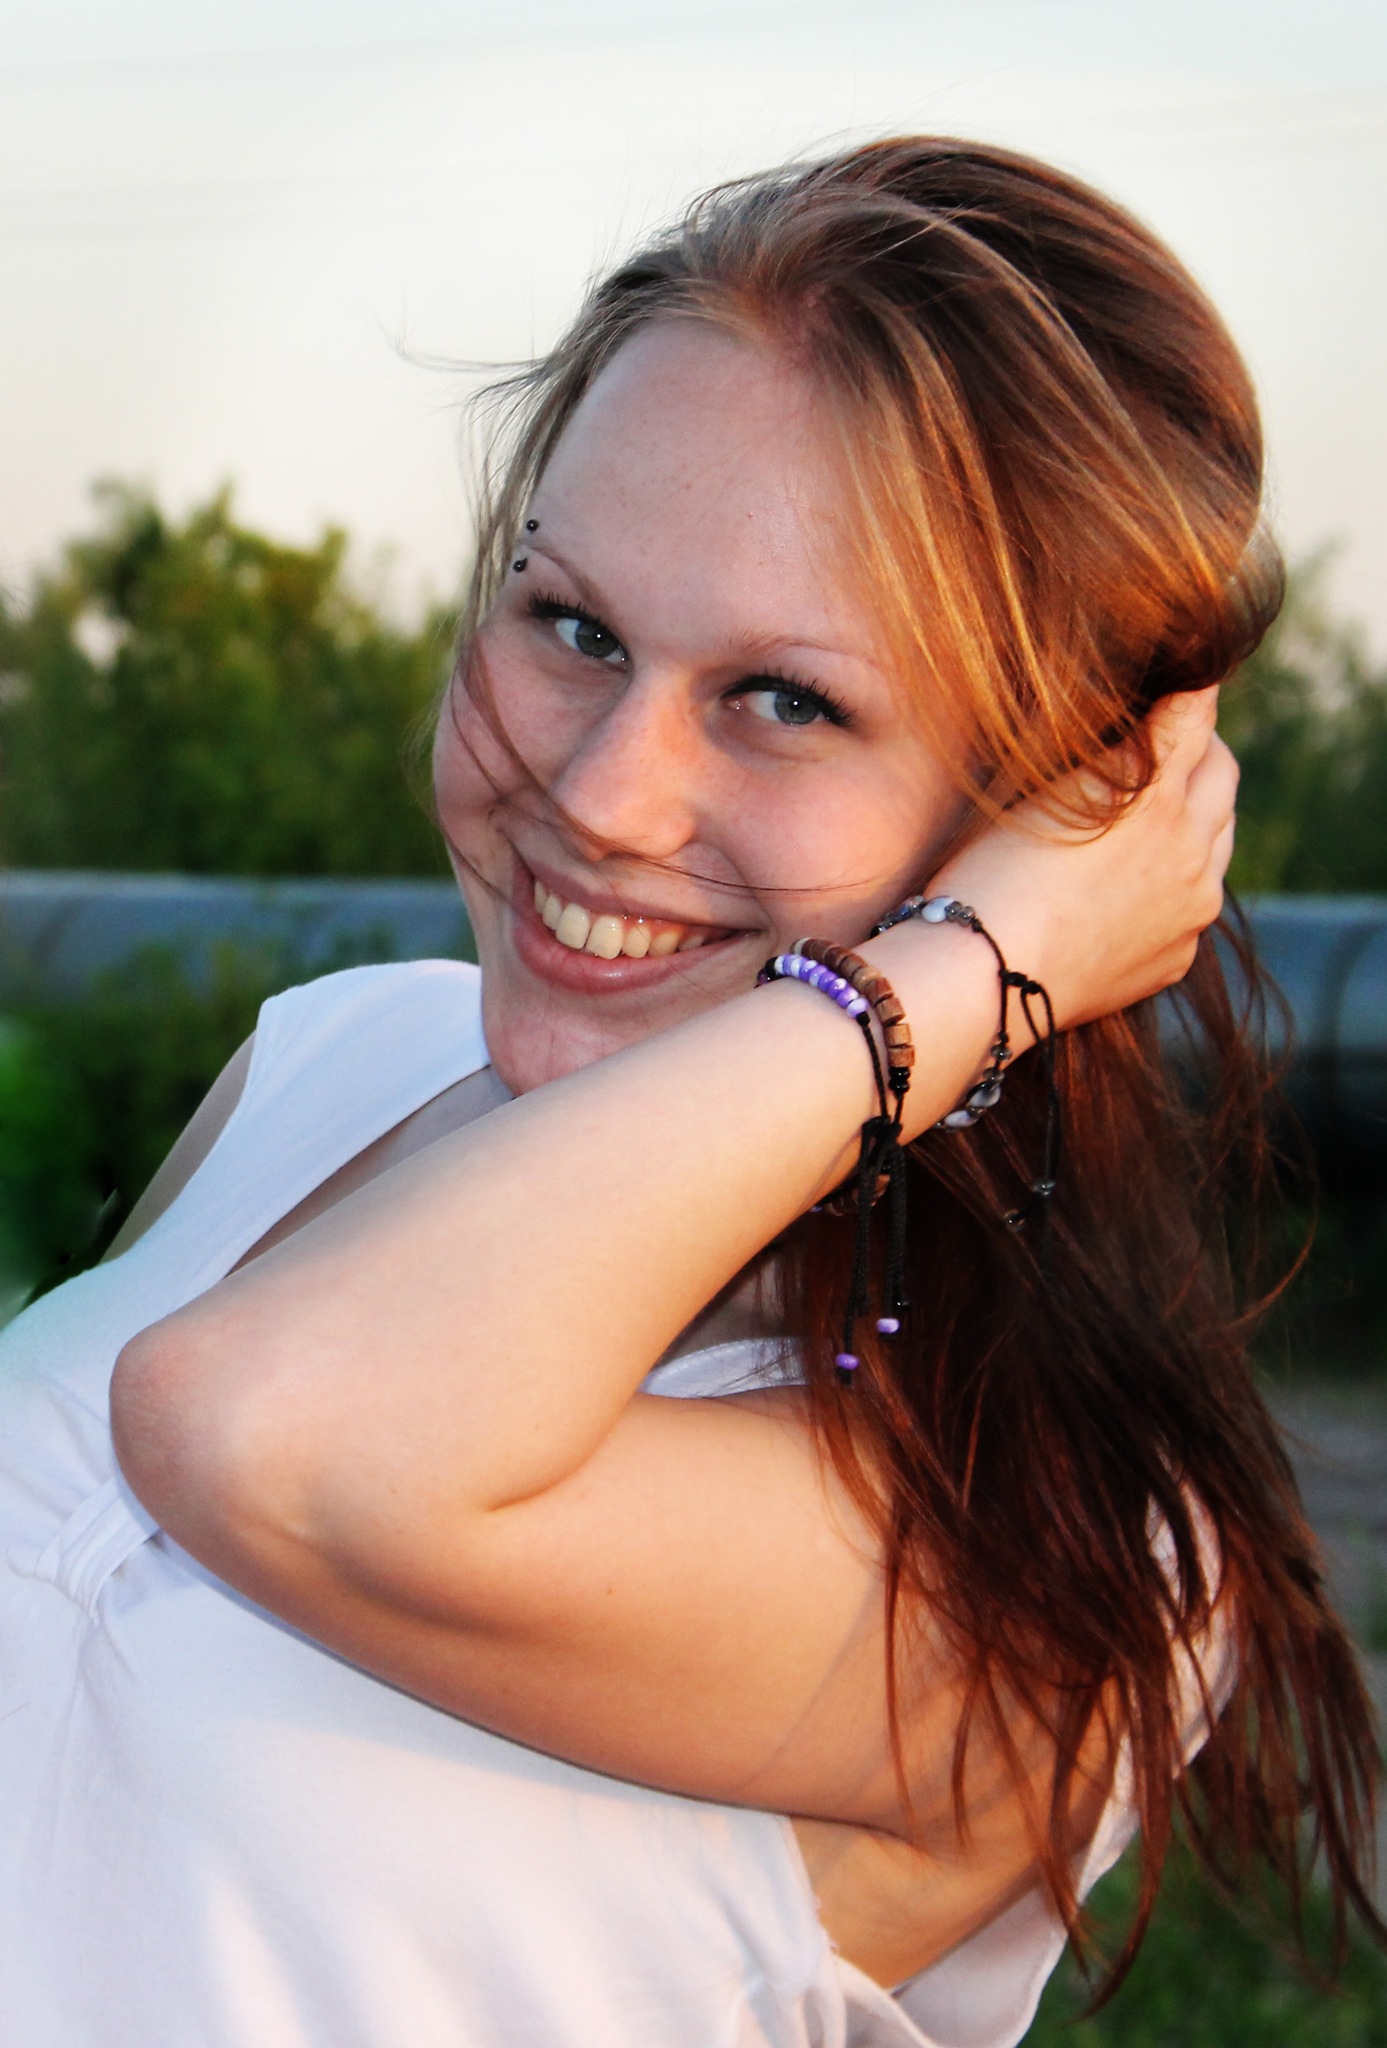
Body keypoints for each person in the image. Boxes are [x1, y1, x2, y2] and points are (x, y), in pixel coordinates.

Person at [1, 138, 1378, 2048]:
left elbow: (259, 1437)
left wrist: (968, 972)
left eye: (785, 700)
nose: (599, 795)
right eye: (572, 624)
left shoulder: (1054, 1559)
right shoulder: (346, 1057)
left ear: (1056, 811)